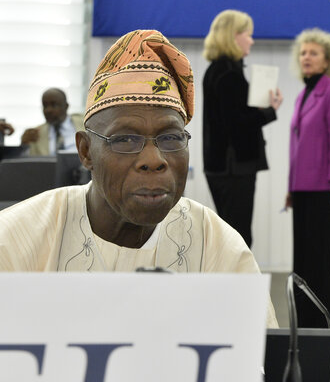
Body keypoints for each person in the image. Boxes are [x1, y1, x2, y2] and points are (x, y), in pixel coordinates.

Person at [0, 30, 278, 326]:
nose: (153, 160)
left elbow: (260, 364)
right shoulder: (18, 241)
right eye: (125, 140)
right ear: (85, 151)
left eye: (171, 137)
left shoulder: (218, 248)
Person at [285, 28, 330, 328]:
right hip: (301, 191)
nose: (306, 57)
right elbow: (298, 147)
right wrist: (290, 187)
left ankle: (323, 329)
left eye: (313, 53)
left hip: (323, 190)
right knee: (301, 263)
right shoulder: (303, 94)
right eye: (303, 53)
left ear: (327, 61)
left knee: (320, 264)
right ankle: (303, 325)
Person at [202, 10, 283, 249]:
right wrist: (269, 110)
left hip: (222, 166)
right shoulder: (229, 73)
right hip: (234, 168)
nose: (252, 40)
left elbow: (230, 117)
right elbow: (236, 125)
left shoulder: (217, 69)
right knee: (239, 237)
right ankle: (238, 286)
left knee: (232, 234)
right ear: (233, 36)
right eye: (248, 34)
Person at [20, 88, 84, 155]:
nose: (48, 110)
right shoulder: (35, 134)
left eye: (54, 105)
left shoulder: (85, 123)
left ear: (66, 106)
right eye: (45, 106)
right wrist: (24, 145)